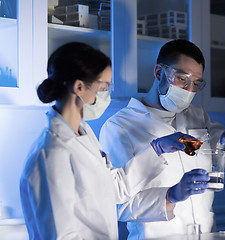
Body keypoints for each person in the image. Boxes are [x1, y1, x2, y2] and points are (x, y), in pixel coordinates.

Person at [19, 42, 210, 240]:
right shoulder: (52, 153)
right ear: (79, 87)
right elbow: (59, 235)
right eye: (104, 88)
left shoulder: (84, 136)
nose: (108, 95)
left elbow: (115, 190)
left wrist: (157, 149)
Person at [99, 39, 225, 239]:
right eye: (182, 79)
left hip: (206, 235)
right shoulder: (120, 126)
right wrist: (171, 195)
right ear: (159, 73)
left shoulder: (196, 115)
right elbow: (118, 207)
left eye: (196, 83)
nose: (189, 90)